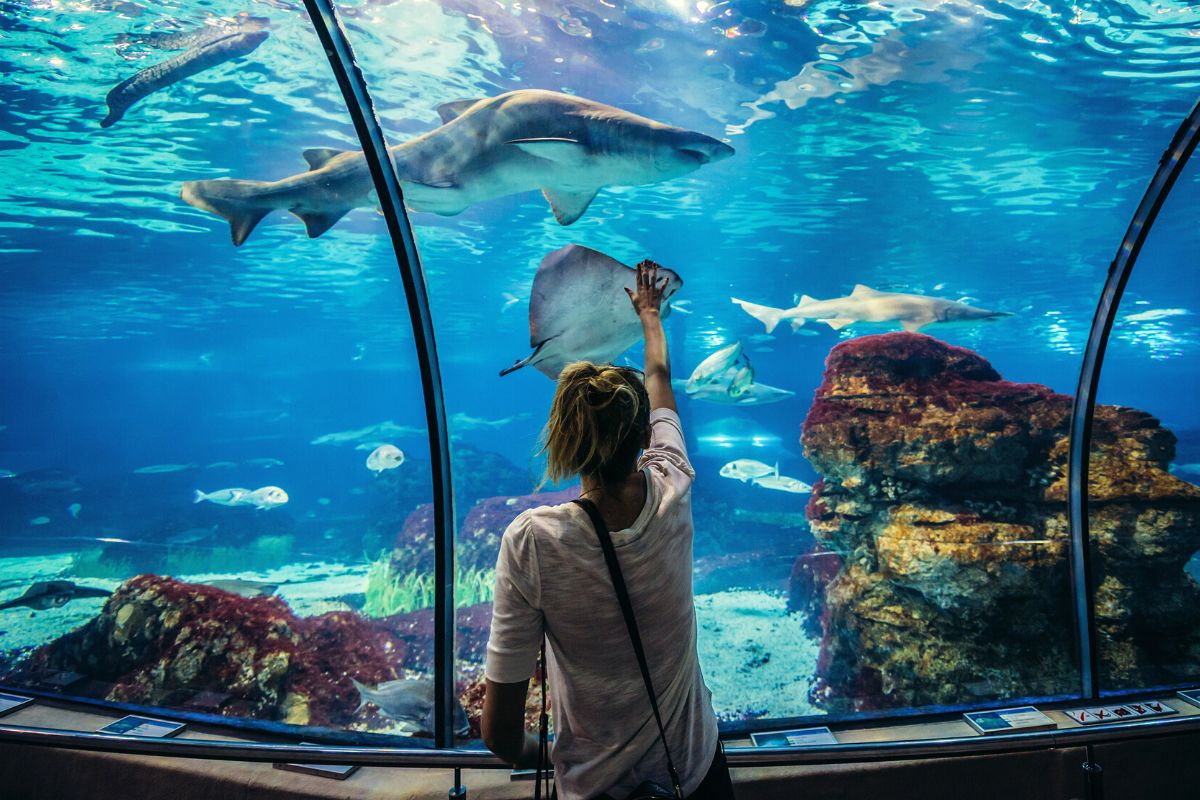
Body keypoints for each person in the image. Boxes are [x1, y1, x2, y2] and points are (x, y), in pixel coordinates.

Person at [482, 261, 735, 800]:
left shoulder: (532, 541)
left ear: (563, 437)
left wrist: (547, 758)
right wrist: (650, 315)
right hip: (694, 771)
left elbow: (499, 732)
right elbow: (659, 378)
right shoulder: (673, 484)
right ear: (644, 435)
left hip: (595, 786)